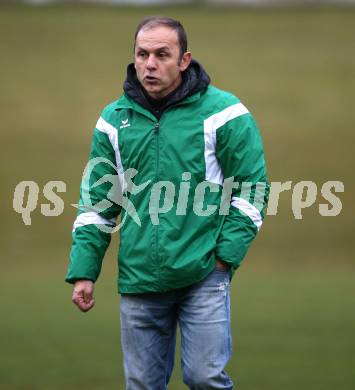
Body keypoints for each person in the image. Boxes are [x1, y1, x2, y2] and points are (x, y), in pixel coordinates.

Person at [65, 16, 269, 390]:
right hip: (140, 277)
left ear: (184, 60)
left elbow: (253, 188)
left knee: (205, 379)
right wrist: (84, 270)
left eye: (162, 54)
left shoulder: (225, 113)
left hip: (204, 272)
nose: (150, 64)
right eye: (142, 54)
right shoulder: (113, 120)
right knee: (142, 385)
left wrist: (224, 256)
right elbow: (97, 201)